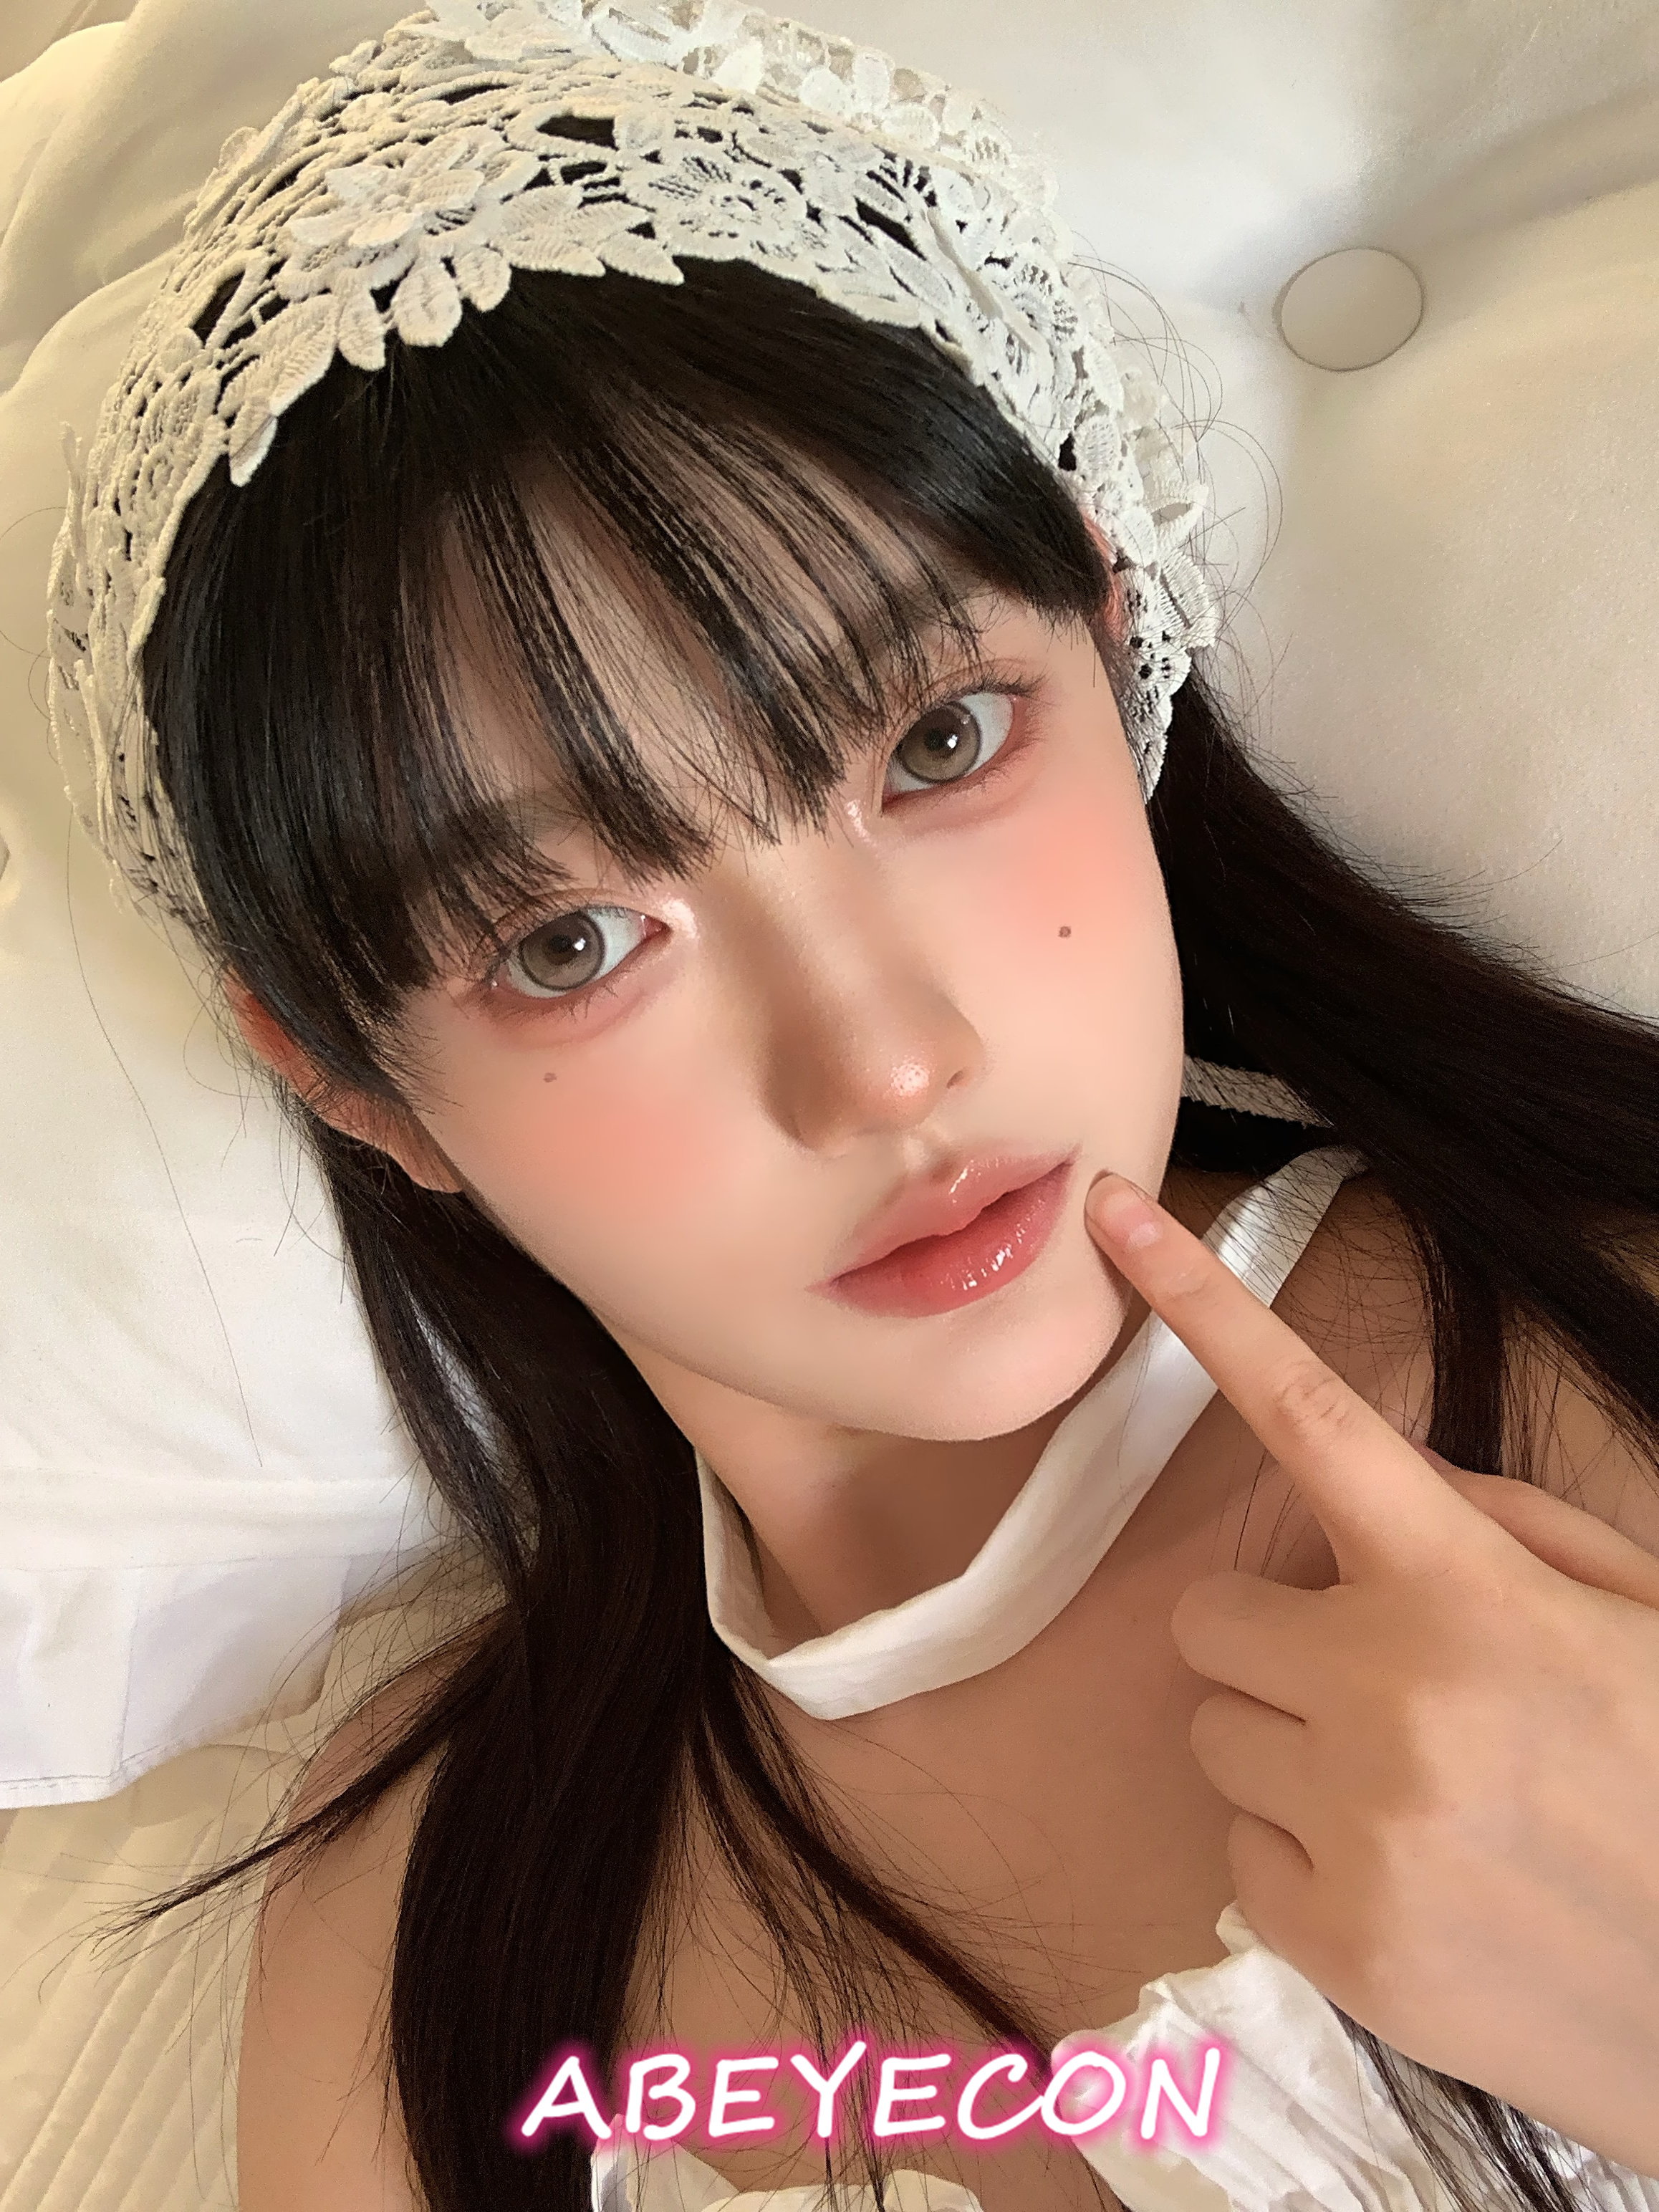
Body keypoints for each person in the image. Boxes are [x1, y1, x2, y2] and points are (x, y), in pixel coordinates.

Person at [53, 3, 1659, 2207]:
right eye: (568, 942)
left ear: (1111, 651)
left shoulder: (1608, 1349)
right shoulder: (434, 1961)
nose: (886, 1064)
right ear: (357, 1087)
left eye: (936, 745)